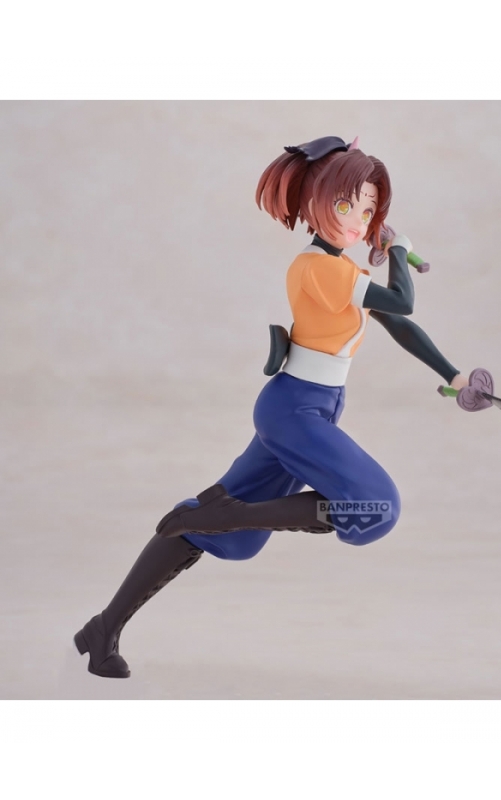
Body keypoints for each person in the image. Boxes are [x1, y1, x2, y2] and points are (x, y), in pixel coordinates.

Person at [74, 135, 469, 678]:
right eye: (346, 205)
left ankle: (103, 629)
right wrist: (399, 249)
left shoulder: (343, 272)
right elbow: (402, 299)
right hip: (294, 411)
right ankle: (227, 513)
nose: (358, 221)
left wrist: (453, 376)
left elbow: (399, 322)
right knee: (374, 509)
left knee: (236, 544)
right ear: (316, 202)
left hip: (313, 406)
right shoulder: (321, 269)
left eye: (369, 210)